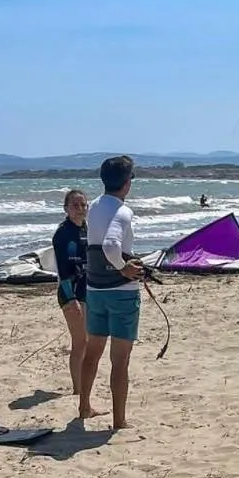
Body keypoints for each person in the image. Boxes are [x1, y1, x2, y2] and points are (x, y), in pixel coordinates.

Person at [79, 155, 144, 429]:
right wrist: (123, 268)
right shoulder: (123, 210)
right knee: (120, 360)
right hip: (121, 293)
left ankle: (84, 406)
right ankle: (119, 420)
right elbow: (110, 245)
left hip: (95, 289)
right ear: (127, 183)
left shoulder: (93, 206)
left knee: (92, 352)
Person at [52, 188, 89, 395]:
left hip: (87, 290)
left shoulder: (86, 228)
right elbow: (63, 270)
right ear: (66, 208)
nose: (80, 209)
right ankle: (78, 389)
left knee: (89, 341)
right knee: (80, 342)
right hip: (70, 293)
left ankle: (83, 384)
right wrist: (72, 298)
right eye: (75, 205)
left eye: (83, 205)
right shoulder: (62, 234)